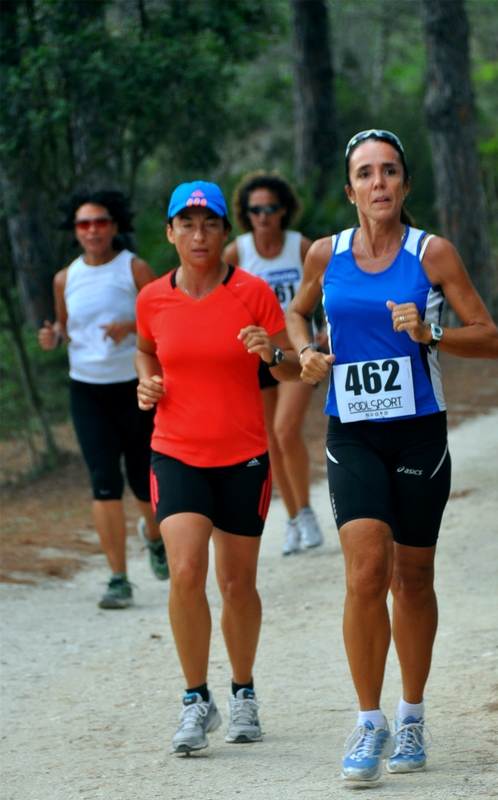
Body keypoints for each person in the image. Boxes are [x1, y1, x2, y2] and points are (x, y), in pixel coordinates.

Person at [286, 130, 498, 783]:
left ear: (404, 185)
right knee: (363, 572)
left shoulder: (430, 254)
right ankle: (367, 723)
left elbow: (487, 338)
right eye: (364, 174)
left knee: (411, 578)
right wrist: (304, 352)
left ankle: (410, 714)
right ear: (349, 188)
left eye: (388, 173)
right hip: (351, 431)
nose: (377, 184)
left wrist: (430, 331)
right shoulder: (324, 255)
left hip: (417, 433)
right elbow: (295, 315)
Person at [135, 180, 299, 754]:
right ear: (170, 233)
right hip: (176, 450)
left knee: (237, 583)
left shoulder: (252, 292)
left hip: (244, 457)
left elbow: (291, 369)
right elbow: (147, 347)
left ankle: (243, 691)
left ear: (226, 233)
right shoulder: (153, 296)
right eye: (187, 224)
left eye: (209, 225)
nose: (198, 235)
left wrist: (270, 353)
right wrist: (145, 381)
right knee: (184, 573)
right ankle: (194, 700)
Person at [38, 189, 168, 610]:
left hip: (135, 389)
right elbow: (63, 327)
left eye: (100, 222)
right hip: (87, 391)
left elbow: (164, 320)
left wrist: (132, 325)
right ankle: (118, 579)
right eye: (83, 223)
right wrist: (52, 337)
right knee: (103, 482)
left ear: (114, 226)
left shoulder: (134, 269)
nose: (92, 230)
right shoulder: (65, 278)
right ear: (74, 231)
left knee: (143, 482)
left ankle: (154, 536)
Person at [224, 172, 324, 556]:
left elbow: (333, 287)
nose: (263, 216)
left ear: (283, 210)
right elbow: (219, 299)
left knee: (285, 431)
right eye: (255, 210)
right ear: (246, 214)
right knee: (269, 443)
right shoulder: (237, 252)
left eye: (270, 208)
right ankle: (295, 518)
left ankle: (309, 514)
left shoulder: (301, 247)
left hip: (298, 353)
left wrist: (326, 330)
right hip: (258, 359)